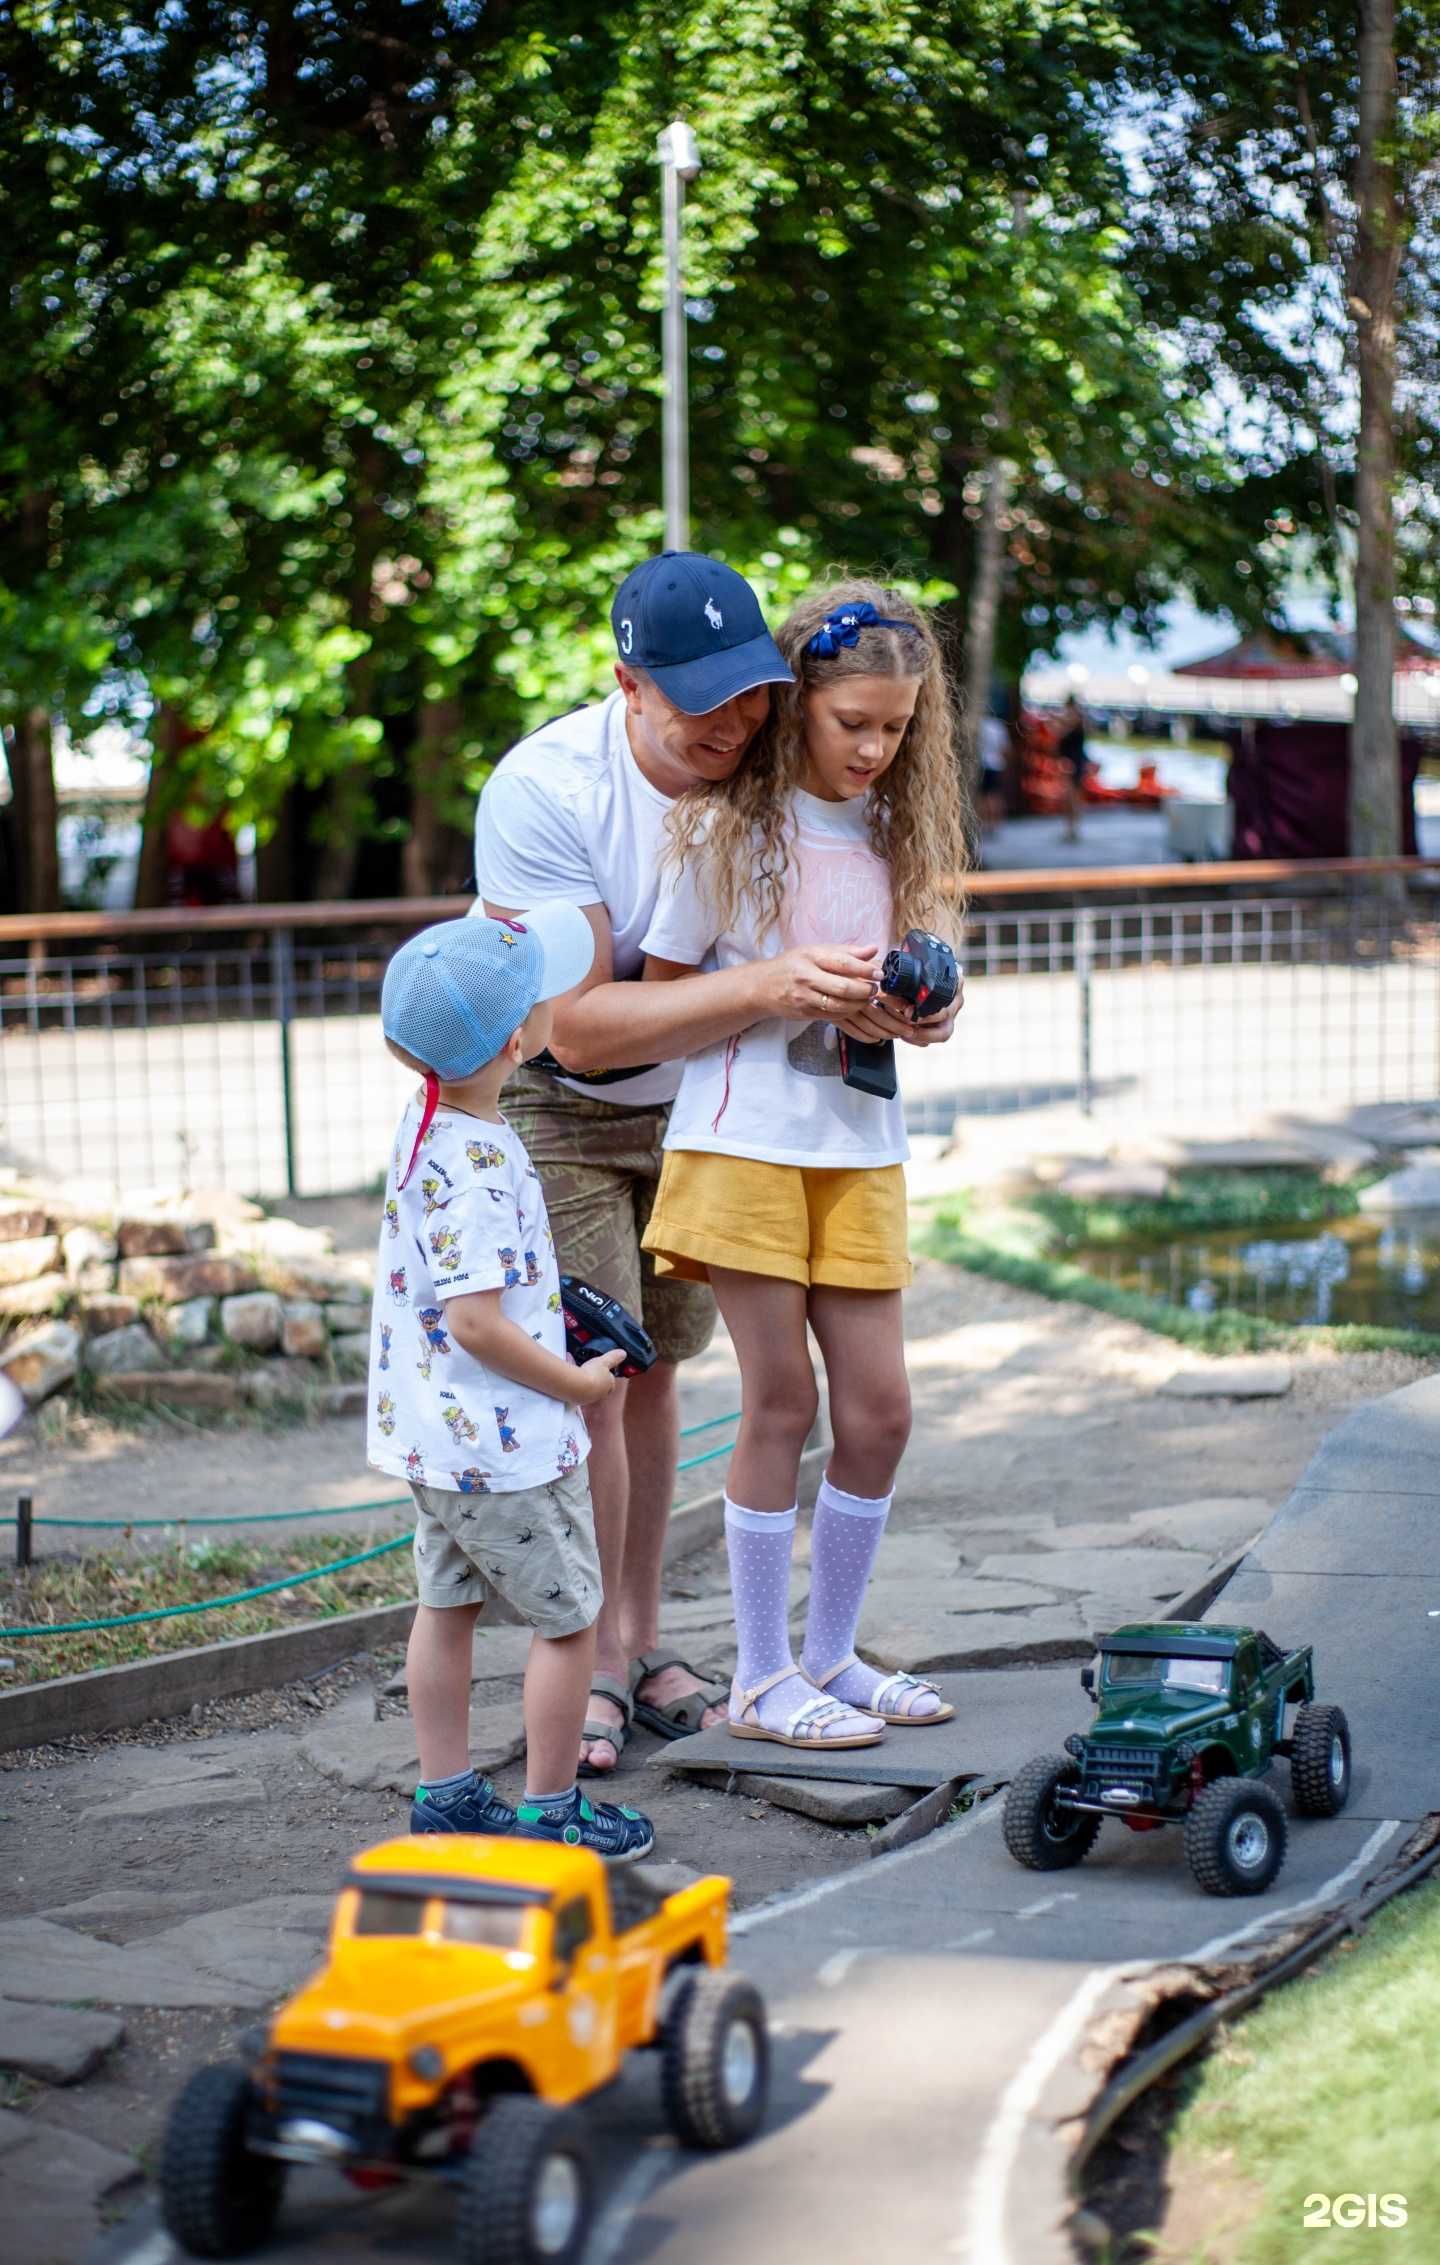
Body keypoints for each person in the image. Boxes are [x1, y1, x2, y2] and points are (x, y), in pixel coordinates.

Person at [474, 552, 930, 1776]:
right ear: (628, 685)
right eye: (701, 702)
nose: (734, 722)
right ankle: (599, 1665)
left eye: (752, 692)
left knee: (664, 1372)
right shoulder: (546, 791)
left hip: (705, 1107)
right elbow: (575, 1026)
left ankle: (644, 1638)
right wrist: (776, 984)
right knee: (600, 1376)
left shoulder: (769, 783)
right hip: (567, 1102)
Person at [638, 580, 968, 1748]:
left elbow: (913, 981)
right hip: (744, 1147)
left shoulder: (895, 833)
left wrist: (921, 1013)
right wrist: (778, 991)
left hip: (858, 1143)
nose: (876, 747)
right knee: (783, 1402)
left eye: (896, 726)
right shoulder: (726, 828)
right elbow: (664, 1009)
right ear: (799, 708)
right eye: (853, 724)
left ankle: (829, 1653)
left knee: (878, 1413)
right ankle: (761, 1676)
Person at [367, 906, 654, 1861]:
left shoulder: (426, 1117)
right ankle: (550, 1805)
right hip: (507, 1445)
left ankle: (447, 1791)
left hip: (436, 1438)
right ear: (518, 1041)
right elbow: (477, 1320)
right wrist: (575, 1382)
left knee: (444, 1605)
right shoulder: (480, 1163)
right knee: (571, 1621)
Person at [1057, 695, 1088, 843]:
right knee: (1070, 799)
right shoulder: (1074, 719)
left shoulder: (1074, 720)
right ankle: (1071, 829)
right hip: (1073, 763)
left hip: (1072, 764)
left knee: (1072, 798)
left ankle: (1073, 829)